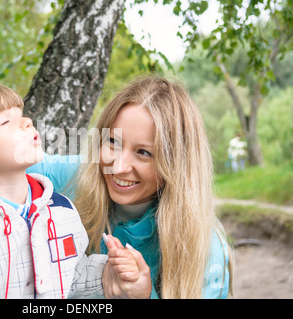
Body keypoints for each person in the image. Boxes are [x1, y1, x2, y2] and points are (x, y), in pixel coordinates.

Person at [0, 81, 143, 299]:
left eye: (20, 115)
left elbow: (71, 276)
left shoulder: (60, 209)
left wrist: (107, 276)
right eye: (5, 122)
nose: (27, 122)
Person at [28, 76, 234, 299]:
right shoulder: (81, 176)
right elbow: (12, 162)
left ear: (176, 165)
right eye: (113, 142)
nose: (118, 166)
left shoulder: (204, 248)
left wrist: (144, 296)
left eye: (143, 152)